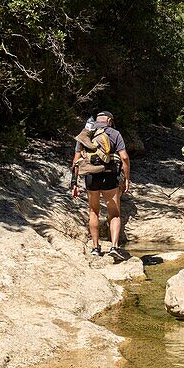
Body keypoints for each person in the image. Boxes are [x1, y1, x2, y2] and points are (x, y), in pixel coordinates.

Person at [72, 111, 130, 261]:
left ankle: (95, 248)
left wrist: (74, 183)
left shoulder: (86, 132)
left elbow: (76, 160)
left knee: (93, 211)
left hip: (91, 176)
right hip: (109, 175)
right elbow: (124, 157)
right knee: (115, 214)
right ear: (109, 120)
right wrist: (127, 179)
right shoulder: (114, 133)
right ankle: (114, 247)